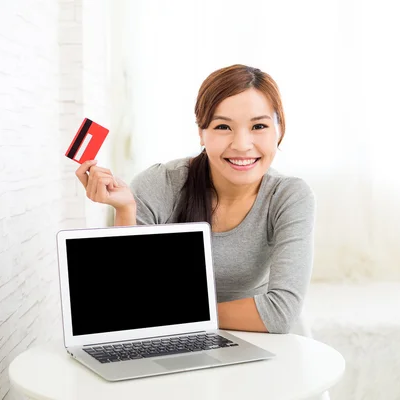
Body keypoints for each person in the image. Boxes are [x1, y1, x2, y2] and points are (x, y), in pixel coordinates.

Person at [75, 64, 315, 334]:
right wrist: (125, 210)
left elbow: (280, 314)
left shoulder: (289, 196)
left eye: (259, 126)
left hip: (263, 340)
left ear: (280, 131)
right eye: (223, 126)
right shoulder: (160, 184)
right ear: (201, 132)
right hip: (177, 340)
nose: (242, 144)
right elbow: (125, 297)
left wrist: (166, 311)